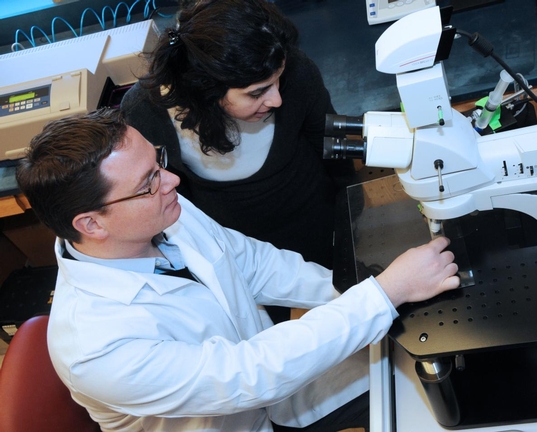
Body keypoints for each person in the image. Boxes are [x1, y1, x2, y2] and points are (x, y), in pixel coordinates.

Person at [16, 108, 460, 432]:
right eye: (148, 182)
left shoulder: (159, 208)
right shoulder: (95, 347)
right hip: (243, 406)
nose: (171, 182)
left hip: (278, 390)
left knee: (434, 380)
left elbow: (256, 264)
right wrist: (383, 293)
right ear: (91, 224)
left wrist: (359, 289)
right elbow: (245, 375)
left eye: (158, 164)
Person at [121, 0, 356, 322]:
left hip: (319, 224)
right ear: (205, 90)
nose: (276, 99)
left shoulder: (294, 71)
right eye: (257, 93)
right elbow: (174, 208)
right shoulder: (145, 112)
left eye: (278, 82)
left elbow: (331, 148)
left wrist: (353, 220)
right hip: (237, 253)